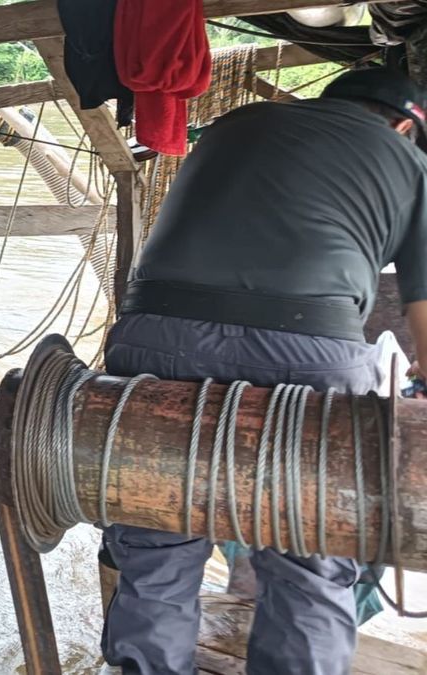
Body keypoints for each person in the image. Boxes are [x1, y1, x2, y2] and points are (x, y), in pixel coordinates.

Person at [99, 67, 427, 675]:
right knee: (312, 552)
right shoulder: (409, 162)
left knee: (154, 533)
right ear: (406, 126)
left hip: (150, 337)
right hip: (306, 353)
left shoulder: (237, 124)